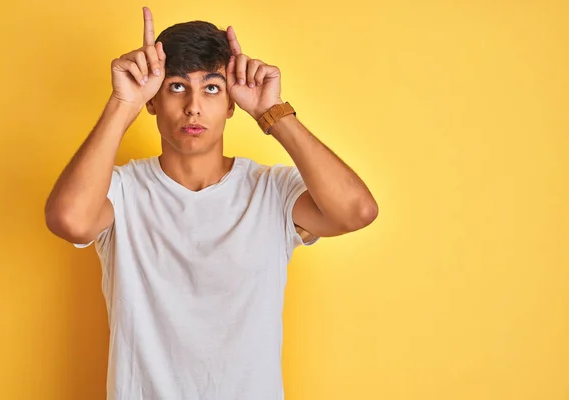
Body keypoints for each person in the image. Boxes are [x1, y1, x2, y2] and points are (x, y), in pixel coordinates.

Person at [45, 6, 378, 400]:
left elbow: (357, 211)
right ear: (153, 99)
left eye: (212, 88)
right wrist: (123, 104)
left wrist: (273, 113)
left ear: (232, 102)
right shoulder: (121, 191)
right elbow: (69, 220)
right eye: (177, 87)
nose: (194, 107)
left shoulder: (270, 191)